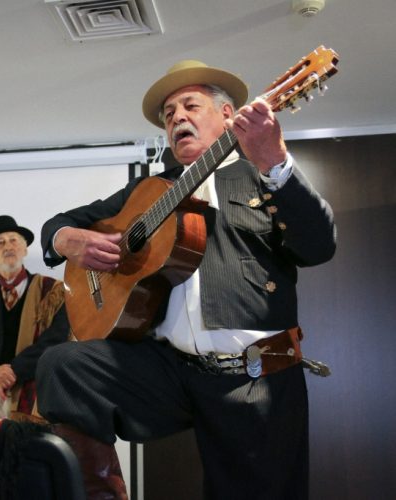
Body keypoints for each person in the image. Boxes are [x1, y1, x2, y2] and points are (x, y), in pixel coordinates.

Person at [36, 59, 337, 499]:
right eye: (169, 114)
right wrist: (65, 239)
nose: (177, 118)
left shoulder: (263, 175)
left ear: (228, 115)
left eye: (190, 106)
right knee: (65, 365)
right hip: (170, 371)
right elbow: (61, 224)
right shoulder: (147, 191)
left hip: (253, 376)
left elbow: (318, 247)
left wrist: (275, 162)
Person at [0, 215, 70, 420]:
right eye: (0, 243)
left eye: (13, 240)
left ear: (25, 249)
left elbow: (58, 337)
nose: (8, 246)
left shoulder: (52, 291)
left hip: (36, 392)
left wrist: (14, 371)